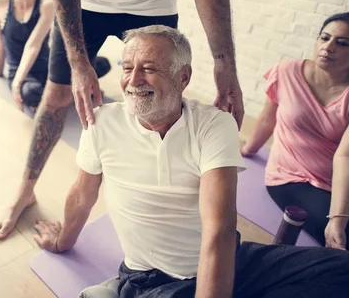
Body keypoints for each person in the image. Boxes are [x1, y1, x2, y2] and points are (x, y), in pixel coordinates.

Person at [0, 0, 244, 240]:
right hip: (82, 0)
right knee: (55, 95)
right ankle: (24, 190)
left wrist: (224, 63)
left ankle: (162, 200)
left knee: (160, 104)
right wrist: (79, 64)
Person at [34, 25, 349, 298]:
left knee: (341, 269)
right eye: (127, 67)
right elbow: (81, 192)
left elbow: (220, 229)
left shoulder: (214, 125)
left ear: (183, 77)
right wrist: (63, 241)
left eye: (150, 68)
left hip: (231, 258)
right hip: (155, 279)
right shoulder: (102, 122)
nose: (134, 80)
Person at [240, 12, 349, 250]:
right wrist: (248, 148)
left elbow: (345, 155)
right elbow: (267, 119)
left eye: (342, 43)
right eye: (325, 38)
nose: (328, 47)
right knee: (344, 237)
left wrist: (339, 216)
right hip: (292, 177)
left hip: (339, 179)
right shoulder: (287, 72)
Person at [0, 0, 111, 112]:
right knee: (31, 93)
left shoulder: (46, 5)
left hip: (48, 67)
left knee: (101, 64)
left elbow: (33, 46)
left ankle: (67, 92)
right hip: (22, 73)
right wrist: (6, 74)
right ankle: (72, 92)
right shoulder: (1, 1)